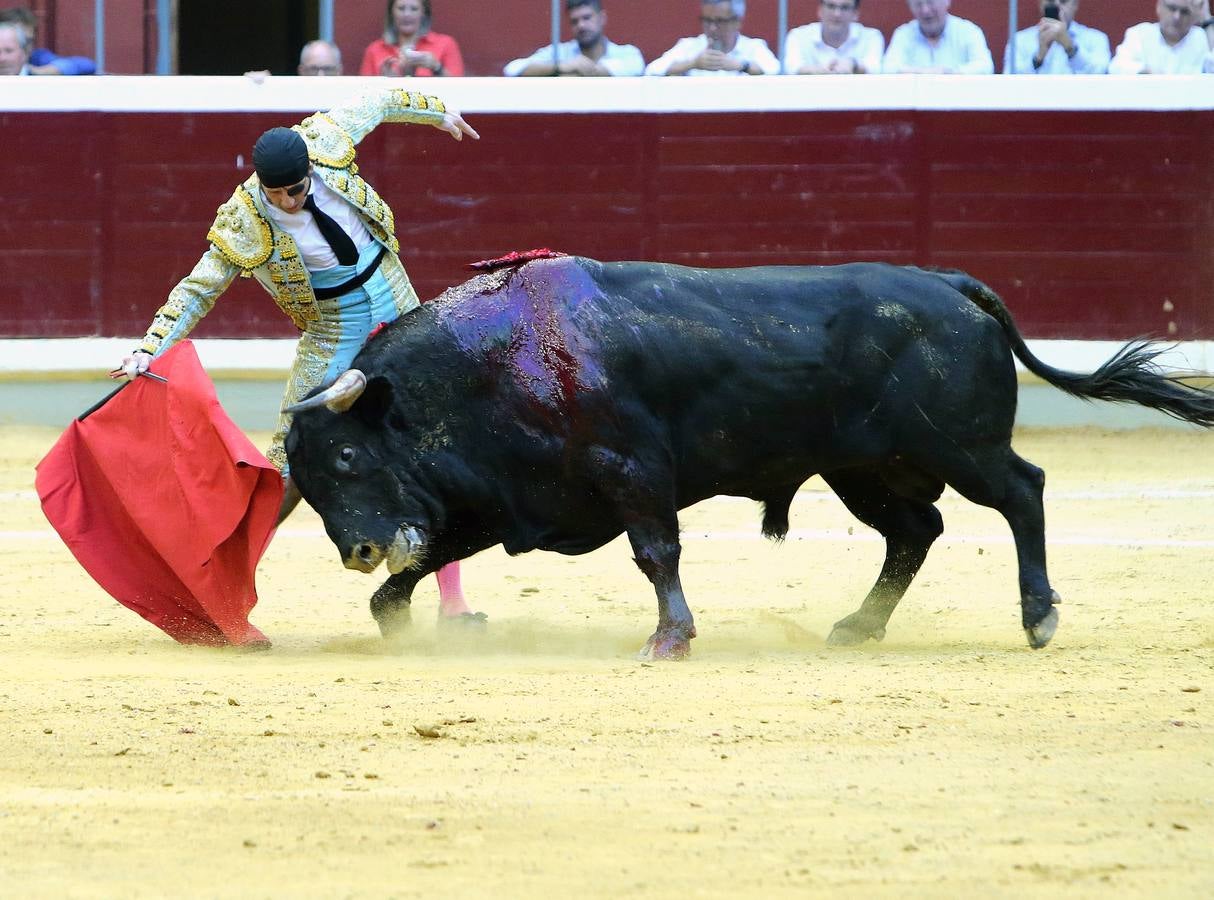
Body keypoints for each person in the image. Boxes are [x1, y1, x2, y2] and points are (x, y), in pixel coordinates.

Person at [114, 88, 481, 619]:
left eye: (297, 189)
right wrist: (147, 351)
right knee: (290, 455)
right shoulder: (245, 218)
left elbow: (379, 102)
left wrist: (436, 113)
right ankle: (228, 598)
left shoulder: (326, 139)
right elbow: (198, 289)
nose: (290, 201)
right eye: (278, 194)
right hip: (335, 324)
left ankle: (454, 603)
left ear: (310, 168)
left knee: (432, 437)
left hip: (396, 296)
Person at [504, 0, 643, 77]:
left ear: (602, 18)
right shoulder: (560, 53)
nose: (581, 25)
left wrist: (578, 70)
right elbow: (512, 69)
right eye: (574, 21)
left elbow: (637, 68)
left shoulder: (627, 53)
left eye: (587, 18)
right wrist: (559, 67)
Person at [646, 0, 780, 76]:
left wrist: (741, 66)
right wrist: (692, 64)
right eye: (707, 21)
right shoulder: (689, 47)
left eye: (720, 21)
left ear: (737, 22)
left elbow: (774, 69)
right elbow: (652, 70)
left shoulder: (753, 47)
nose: (712, 28)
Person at [882, 0, 994, 74]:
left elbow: (985, 67)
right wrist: (922, 73)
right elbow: (887, 69)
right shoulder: (903, 34)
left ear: (947, 2)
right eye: (918, 4)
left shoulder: (968, 31)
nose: (925, 10)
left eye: (930, 2)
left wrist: (949, 73)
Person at [360, 0, 464, 77]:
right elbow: (363, 95)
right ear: (391, 12)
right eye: (401, 8)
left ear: (423, 13)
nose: (407, 14)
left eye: (414, 9)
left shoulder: (446, 44)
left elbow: (459, 89)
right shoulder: (374, 49)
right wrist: (385, 82)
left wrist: (436, 67)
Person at [1004, 0, 1110, 74]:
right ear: (1041, 3)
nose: (1057, 6)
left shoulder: (1096, 39)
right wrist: (1038, 58)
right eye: (1050, 0)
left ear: (1075, 4)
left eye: (1064, 1)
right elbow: (1009, 83)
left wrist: (1071, 48)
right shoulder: (1019, 41)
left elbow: (1101, 75)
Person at [1109, 0, 1214, 73]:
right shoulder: (1139, 34)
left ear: (1195, 15)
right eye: (1172, 8)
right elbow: (1116, 67)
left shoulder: (1204, 38)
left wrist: (1206, 19)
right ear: (1159, 6)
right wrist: (1144, 71)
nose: (1176, 17)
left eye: (1185, 11)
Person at [782, 0, 885, 75]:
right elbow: (791, 68)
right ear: (820, 10)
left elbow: (876, 68)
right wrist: (818, 70)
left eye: (844, 7)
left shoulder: (871, 37)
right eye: (831, 6)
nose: (837, 14)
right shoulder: (799, 36)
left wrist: (854, 65)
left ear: (855, 14)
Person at [0, 7, 96, 75]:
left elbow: (86, 64)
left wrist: (40, 72)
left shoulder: (37, 57)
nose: (26, 46)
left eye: (28, 40)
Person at [245, 40, 343, 83]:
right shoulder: (286, 94)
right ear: (301, 70)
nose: (321, 76)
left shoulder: (353, 99)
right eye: (313, 69)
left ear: (339, 71)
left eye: (328, 69)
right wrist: (262, 86)